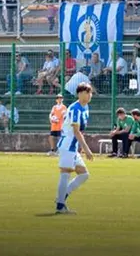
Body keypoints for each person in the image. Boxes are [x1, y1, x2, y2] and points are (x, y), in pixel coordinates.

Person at [54, 83, 94, 215]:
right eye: (86, 92)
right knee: (65, 173)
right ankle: (60, 206)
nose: (89, 95)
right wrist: (86, 148)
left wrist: (79, 147)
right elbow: (76, 132)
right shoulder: (75, 109)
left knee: (84, 174)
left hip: (73, 146)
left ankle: (62, 195)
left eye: (90, 93)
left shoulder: (86, 107)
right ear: (79, 93)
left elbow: (80, 131)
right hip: (67, 145)